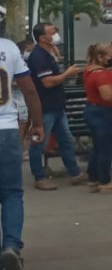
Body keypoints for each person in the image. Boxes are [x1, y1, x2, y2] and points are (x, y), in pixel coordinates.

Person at [1, 36, 43, 270]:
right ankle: (12, 246)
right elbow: (29, 89)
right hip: (5, 130)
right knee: (12, 193)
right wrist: (37, 123)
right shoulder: (8, 48)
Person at [26, 22, 86, 191]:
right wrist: (67, 74)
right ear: (43, 38)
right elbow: (48, 82)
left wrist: (53, 49)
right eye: (53, 33)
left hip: (57, 106)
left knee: (66, 140)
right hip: (44, 108)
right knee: (39, 143)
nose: (56, 35)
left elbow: (56, 61)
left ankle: (75, 173)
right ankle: (39, 177)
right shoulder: (38, 57)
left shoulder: (47, 52)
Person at [82, 44, 112, 194]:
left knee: (97, 147)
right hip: (104, 112)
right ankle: (104, 181)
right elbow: (107, 96)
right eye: (111, 56)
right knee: (106, 148)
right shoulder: (103, 75)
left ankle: (93, 179)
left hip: (92, 110)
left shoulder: (89, 70)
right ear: (100, 57)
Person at [15, 39, 33, 163]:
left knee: (26, 124)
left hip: (23, 97)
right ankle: (19, 150)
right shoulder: (19, 61)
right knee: (23, 124)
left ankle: (24, 149)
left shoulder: (25, 61)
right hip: (19, 97)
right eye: (29, 49)